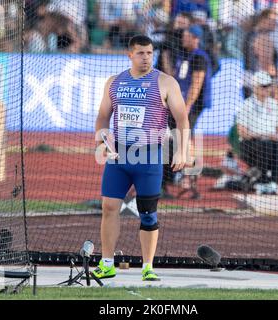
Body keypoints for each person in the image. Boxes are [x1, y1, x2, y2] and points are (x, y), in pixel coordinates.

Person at [93, 35, 189, 281]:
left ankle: (148, 267)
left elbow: (182, 119)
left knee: (148, 213)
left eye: (149, 53)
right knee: (109, 207)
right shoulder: (114, 82)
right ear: (130, 55)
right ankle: (107, 263)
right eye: (141, 53)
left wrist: (181, 150)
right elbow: (103, 116)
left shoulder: (165, 82)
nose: (146, 57)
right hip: (119, 155)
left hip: (149, 156)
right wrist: (101, 141)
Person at [172, 24, 213, 199]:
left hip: (192, 105)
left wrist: (187, 105)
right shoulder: (184, 54)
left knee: (185, 136)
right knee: (181, 136)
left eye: (187, 34)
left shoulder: (199, 57)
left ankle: (190, 174)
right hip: (182, 103)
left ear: (196, 38)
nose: (183, 37)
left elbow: (196, 84)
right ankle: (187, 172)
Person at [237, 71, 278, 194]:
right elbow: (241, 132)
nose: (267, 89)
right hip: (250, 144)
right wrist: (263, 135)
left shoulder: (274, 104)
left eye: (268, 86)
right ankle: (262, 181)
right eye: (263, 86)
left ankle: (274, 183)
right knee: (266, 145)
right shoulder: (246, 105)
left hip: (270, 142)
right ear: (255, 87)